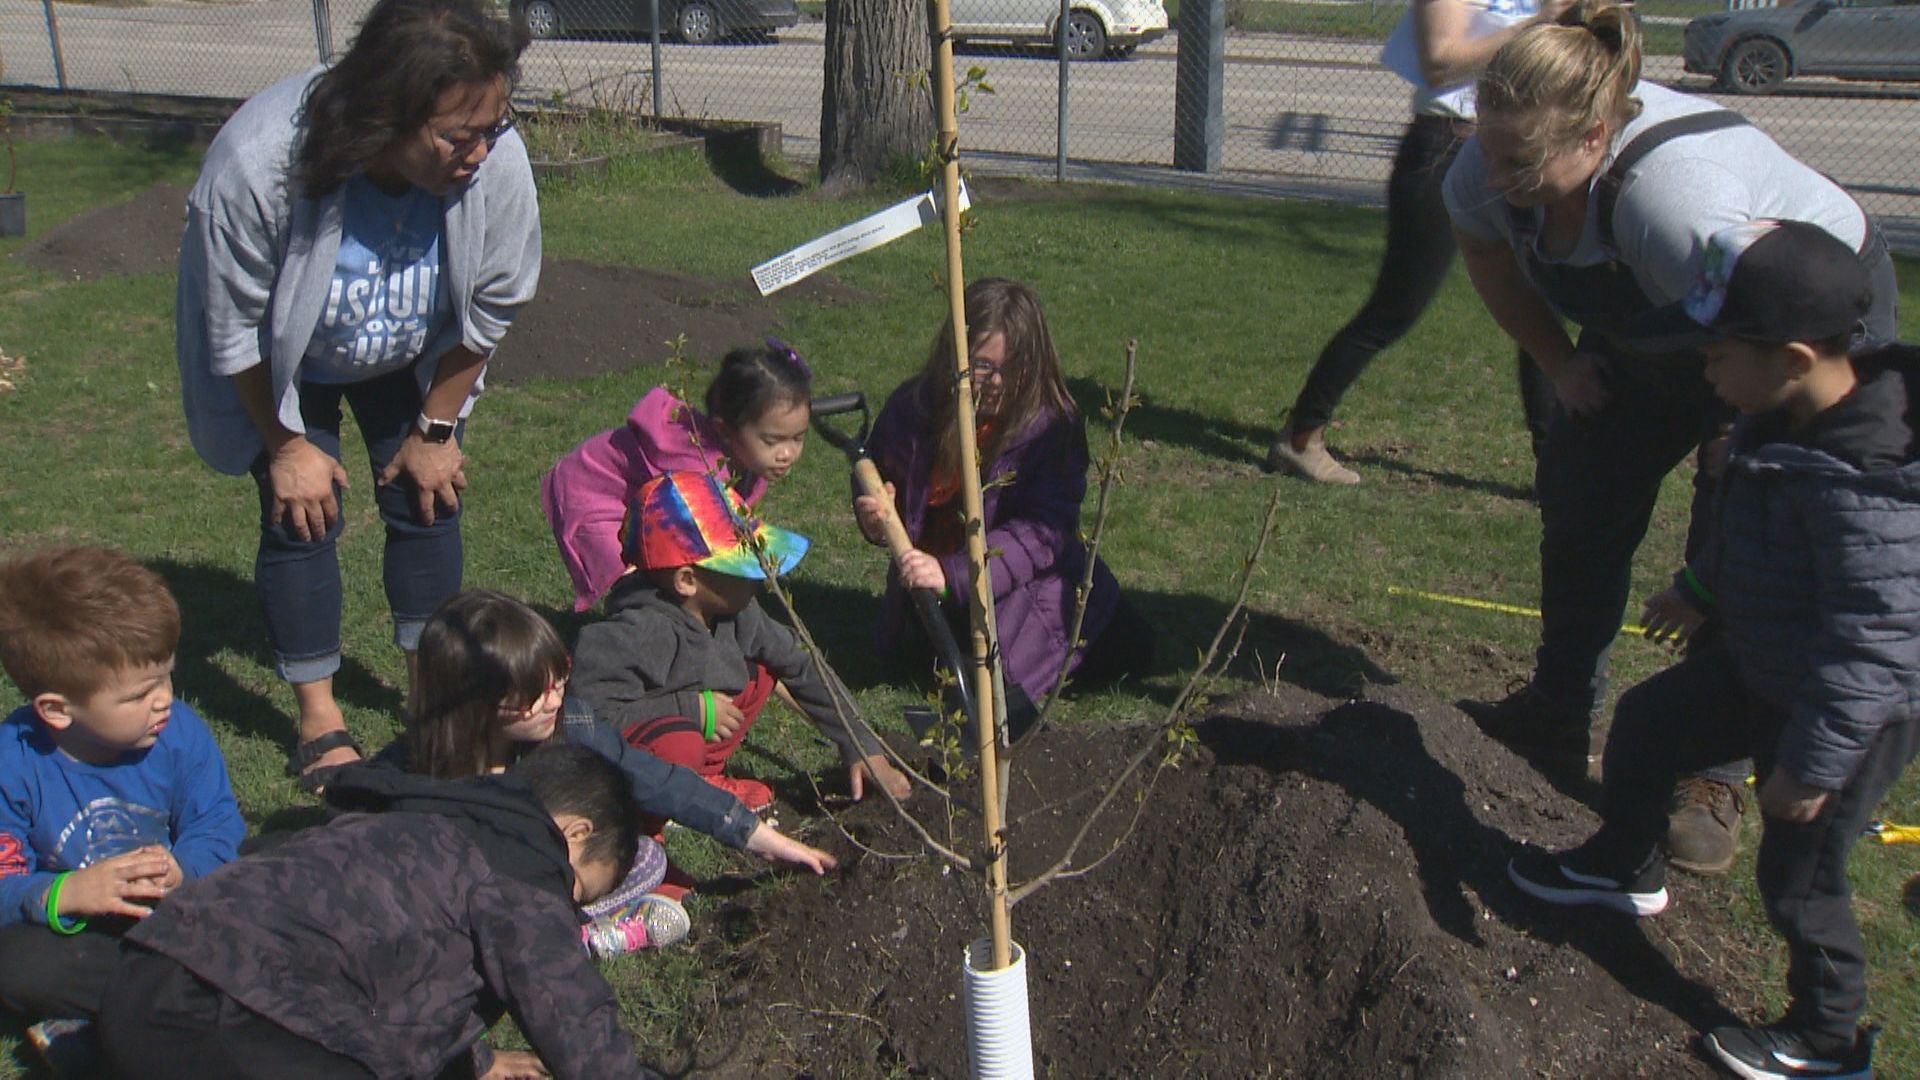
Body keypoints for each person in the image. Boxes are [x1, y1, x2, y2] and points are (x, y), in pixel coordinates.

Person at [1443, 0, 1897, 872]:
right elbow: (1491, 259)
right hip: (1674, 320)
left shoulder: (1676, 209)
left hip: (1793, 337)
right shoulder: (1487, 171)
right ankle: (1557, 708)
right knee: (1581, 494)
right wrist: (1559, 363)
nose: (1496, 176)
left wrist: (1731, 463)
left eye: (1521, 160)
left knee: (1747, 539)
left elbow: (1767, 368)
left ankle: (1710, 777)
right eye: (1489, 148)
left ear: (1596, 137)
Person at [1506, 220, 1919, 1080]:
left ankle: (1827, 1037)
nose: (1706, 368)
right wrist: (1699, 590)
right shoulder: (1775, 418)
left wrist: (1811, 764)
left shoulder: (1866, 486)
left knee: (1798, 878)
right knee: (1649, 722)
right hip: (1762, 664)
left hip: (1840, 716)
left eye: (1720, 351)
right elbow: (1748, 526)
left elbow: (1876, 645)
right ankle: (1626, 861)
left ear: (1797, 357)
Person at [175, 0, 542, 791]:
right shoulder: (259, 163)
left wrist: (436, 429)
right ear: (388, 114)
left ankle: (435, 699)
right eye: (458, 136)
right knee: (303, 514)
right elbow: (234, 328)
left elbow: (494, 304)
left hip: (409, 348)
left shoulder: (490, 154)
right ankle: (319, 719)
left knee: (428, 497)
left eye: (493, 129)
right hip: (285, 355)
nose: (480, 152)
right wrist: (286, 446)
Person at [98, 743, 661, 1079]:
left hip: (142, 982)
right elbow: (565, 1003)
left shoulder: (407, 813)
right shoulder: (525, 858)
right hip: (251, 1025)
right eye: (578, 889)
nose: (564, 902)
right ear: (574, 832)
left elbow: (394, 952)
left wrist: (476, 1059)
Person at [375, 588, 838, 920]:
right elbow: (367, 803)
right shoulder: (421, 769)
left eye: (559, 683)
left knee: (644, 860)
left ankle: (583, 923)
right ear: (473, 701)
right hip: (469, 891)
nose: (556, 700)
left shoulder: (568, 725)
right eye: (537, 694)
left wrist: (757, 836)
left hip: (547, 872)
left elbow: (654, 779)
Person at [1267, 0, 1565, 485]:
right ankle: (1300, 438)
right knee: (1396, 306)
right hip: (1446, 149)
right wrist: (1537, 25)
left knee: (1539, 305)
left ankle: (1555, 470)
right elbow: (1440, 62)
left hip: (1522, 149)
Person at [852, 279, 1154, 730]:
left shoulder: (1049, 428)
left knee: (1135, 650)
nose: (996, 382)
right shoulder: (912, 410)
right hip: (936, 593)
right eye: (981, 365)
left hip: (1027, 590)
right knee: (942, 662)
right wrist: (875, 518)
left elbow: (1041, 535)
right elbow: (881, 487)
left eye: (1013, 368)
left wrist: (955, 573)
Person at [0, 547, 245, 1068]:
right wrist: (66, 893)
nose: (163, 700)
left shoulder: (179, 732)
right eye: (139, 694)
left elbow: (216, 822)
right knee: (14, 964)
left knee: (283, 861)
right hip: (83, 936)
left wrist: (186, 868)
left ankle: (113, 1017)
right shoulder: (13, 764)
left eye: (166, 677)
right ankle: (180, 1002)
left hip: (180, 911)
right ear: (57, 710)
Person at [572, 472, 912, 842]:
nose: (758, 578)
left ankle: (705, 780)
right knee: (678, 744)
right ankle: (643, 829)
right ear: (687, 581)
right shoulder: (636, 634)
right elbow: (587, 720)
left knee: (766, 667)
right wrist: (690, 709)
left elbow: (800, 664)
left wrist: (859, 742)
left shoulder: (737, 610)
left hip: (695, 719)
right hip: (637, 754)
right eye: (740, 569)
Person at [543, 339, 814, 613]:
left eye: (798, 438)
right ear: (725, 431)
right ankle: (627, 639)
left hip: (644, 497)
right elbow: (684, 542)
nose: (787, 453)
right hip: (595, 492)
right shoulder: (697, 472)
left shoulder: (748, 461)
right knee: (640, 581)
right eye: (773, 441)